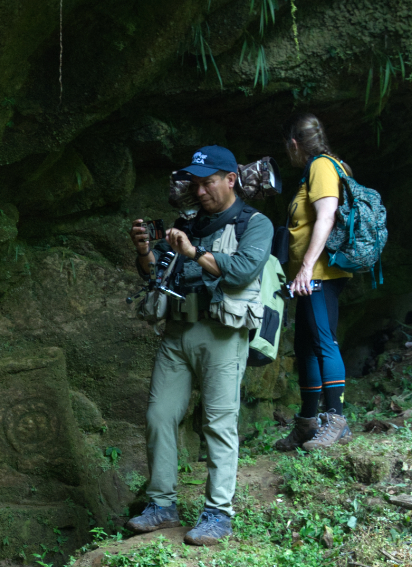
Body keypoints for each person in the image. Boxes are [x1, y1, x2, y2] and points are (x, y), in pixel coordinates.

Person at [126, 145, 274, 545]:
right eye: (196, 183)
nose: (202, 191)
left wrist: (196, 252)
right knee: (159, 415)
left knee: (219, 422)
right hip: (178, 332)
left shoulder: (254, 224)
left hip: (222, 335)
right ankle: (161, 504)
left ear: (230, 179)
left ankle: (218, 514)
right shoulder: (187, 222)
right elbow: (154, 271)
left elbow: (242, 271)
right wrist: (144, 250)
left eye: (209, 182)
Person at [274, 114, 353, 452]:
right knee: (306, 345)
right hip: (309, 276)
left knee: (323, 342)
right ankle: (307, 423)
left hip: (319, 273)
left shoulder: (322, 166)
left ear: (294, 145)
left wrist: (306, 267)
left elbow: (327, 215)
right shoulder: (326, 167)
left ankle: (335, 420)